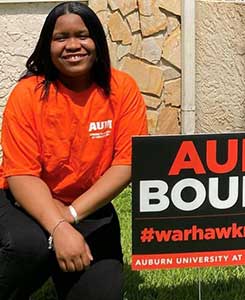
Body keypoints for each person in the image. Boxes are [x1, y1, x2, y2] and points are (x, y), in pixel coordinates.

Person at [0, 1, 148, 300]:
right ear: (47, 45)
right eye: (61, 38)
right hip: (25, 203)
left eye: (82, 35)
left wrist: (69, 215)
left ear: (97, 41)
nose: (73, 45)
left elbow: (127, 163)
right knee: (29, 246)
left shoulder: (122, 89)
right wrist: (58, 227)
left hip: (87, 207)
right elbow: (21, 174)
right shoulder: (27, 94)